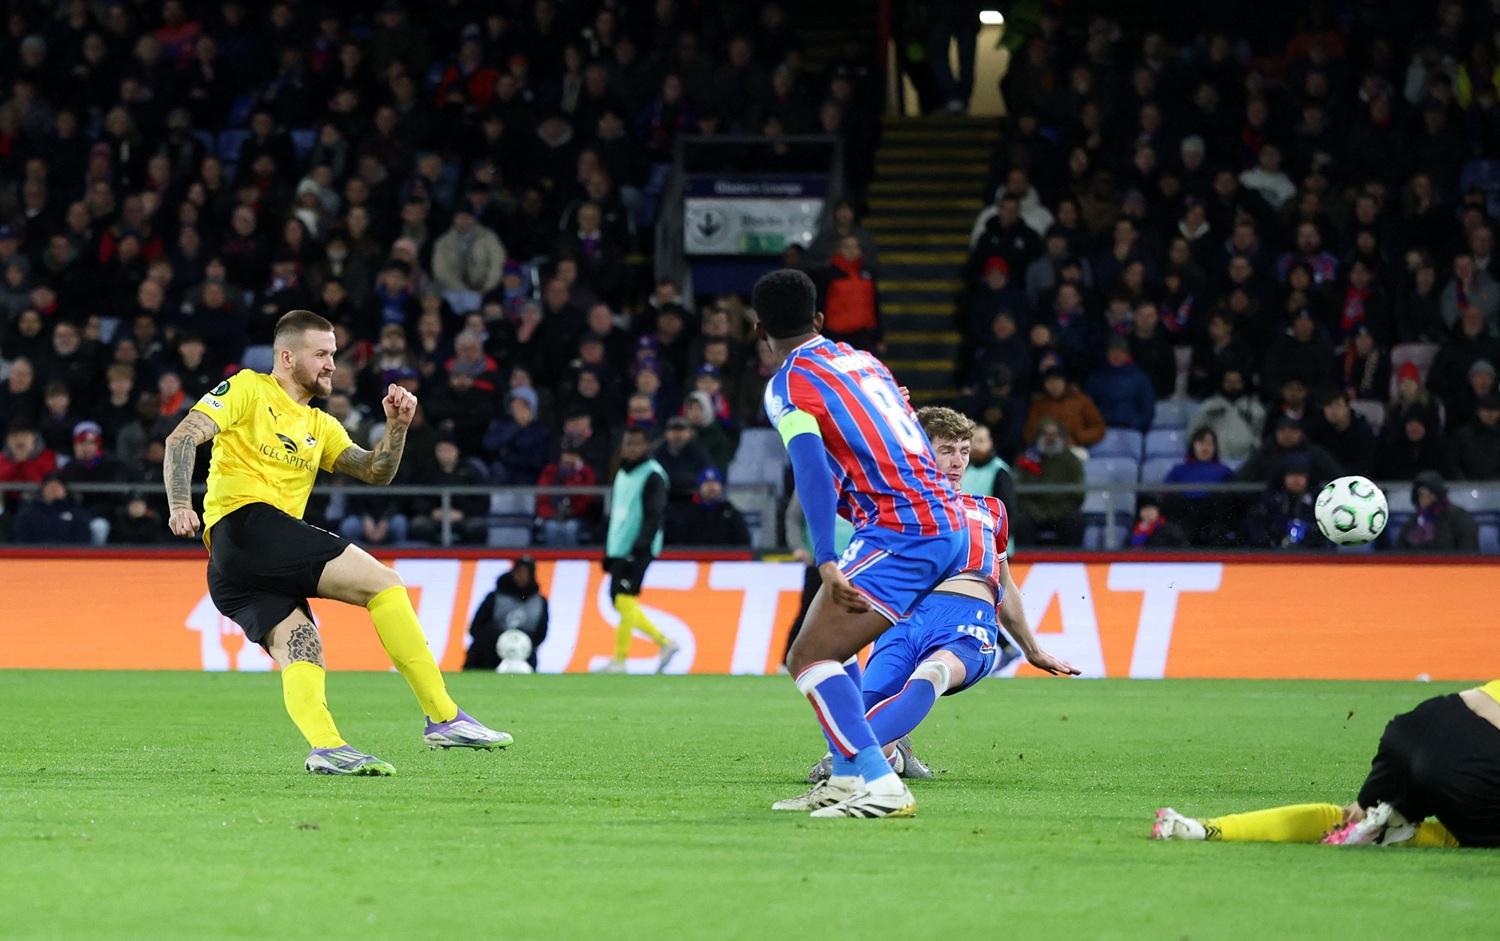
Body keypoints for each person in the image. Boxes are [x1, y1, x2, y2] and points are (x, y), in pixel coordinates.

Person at [162, 310, 510, 776]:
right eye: (321, 354)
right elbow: (182, 438)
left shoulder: (320, 425)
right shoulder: (248, 388)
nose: (331, 364)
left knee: (302, 645)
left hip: (236, 567)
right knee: (384, 583)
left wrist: (397, 428)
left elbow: (375, 472)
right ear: (288, 357)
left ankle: (327, 747)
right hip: (245, 525)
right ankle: (444, 716)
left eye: (334, 354)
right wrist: (179, 504)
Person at [756, 268, 971, 819]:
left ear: (759, 330)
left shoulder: (787, 386)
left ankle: (880, 781)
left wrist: (826, 556)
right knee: (836, 645)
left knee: (807, 657)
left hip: (903, 526)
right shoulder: (864, 362)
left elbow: (810, 469)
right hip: (942, 519)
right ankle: (847, 775)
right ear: (819, 319)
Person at [805, 406, 1077, 785]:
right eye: (946, 450)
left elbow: (1006, 584)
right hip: (901, 625)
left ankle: (847, 758)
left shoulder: (991, 510)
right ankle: (893, 754)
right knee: (860, 711)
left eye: (964, 451)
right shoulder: (898, 505)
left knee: (932, 673)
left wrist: (1031, 649)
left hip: (965, 626)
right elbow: (846, 472)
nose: (958, 461)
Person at [1154, 680, 1500, 848]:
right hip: (1473, 759)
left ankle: (1203, 828)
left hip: (1420, 724)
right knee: (1463, 837)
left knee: (1353, 815)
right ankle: (1393, 832)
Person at [596, 426, 678, 674]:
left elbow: (654, 516)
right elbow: (618, 514)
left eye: (636, 444)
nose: (631, 449)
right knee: (620, 600)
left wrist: (639, 548)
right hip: (620, 546)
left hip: (638, 548)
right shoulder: (622, 472)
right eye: (627, 444)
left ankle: (620, 659)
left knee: (623, 597)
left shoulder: (653, 475)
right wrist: (610, 550)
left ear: (647, 446)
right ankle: (665, 643)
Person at [464, 557, 549, 672]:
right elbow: (476, 628)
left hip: (523, 656)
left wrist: (519, 642)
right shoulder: (495, 597)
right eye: (519, 572)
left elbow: (541, 633)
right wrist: (499, 638)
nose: (522, 576)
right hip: (490, 653)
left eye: (526, 573)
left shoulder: (539, 602)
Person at [1013, 418, 1086, 547]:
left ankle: (1071, 558)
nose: (1050, 438)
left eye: (1054, 434)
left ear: (1061, 436)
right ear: (1038, 436)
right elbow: (1018, 493)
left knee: (1076, 521)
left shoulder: (1072, 460)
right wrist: (1036, 512)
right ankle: (1024, 558)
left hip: (1063, 512)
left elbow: (1078, 494)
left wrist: (1058, 512)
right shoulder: (1026, 459)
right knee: (1020, 521)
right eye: (1046, 434)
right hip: (1033, 512)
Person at [1162, 428, 1235, 546]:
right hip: (1186, 513)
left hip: (1213, 514)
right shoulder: (1178, 470)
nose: (1205, 448)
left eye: (1209, 444)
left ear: (1215, 447)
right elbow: (1166, 493)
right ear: (1193, 445)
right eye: (1201, 443)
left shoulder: (1224, 471)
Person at [1244, 456, 1326, 549]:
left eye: (1300, 475)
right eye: (1292, 475)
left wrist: (1309, 530)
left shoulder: (1318, 499)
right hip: (1275, 552)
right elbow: (1257, 526)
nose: (1296, 480)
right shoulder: (1271, 497)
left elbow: (1325, 531)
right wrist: (1279, 531)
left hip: (1312, 552)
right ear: (1284, 476)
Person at [1023, 365, 1106, 449]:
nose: (1054, 386)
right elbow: (1029, 432)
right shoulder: (1039, 404)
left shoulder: (1080, 400)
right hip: (1047, 449)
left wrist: (1078, 437)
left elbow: (1098, 427)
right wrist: (1048, 439)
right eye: (1049, 382)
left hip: (1076, 447)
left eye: (1057, 381)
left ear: (1065, 382)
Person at [1395, 471, 1479, 552]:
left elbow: (1468, 551)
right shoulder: (1412, 523)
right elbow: (1401, 551)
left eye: (1428, 493)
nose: (1424, 498)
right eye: (1421, 494)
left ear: (1437, 494)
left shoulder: (1460, 518)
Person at [1084, 337, 1155, 433]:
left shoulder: (1140, 378)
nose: (1116, 355)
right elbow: (1088, 407)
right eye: (1113, 351)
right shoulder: (1096, 378)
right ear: (1107, 354)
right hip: (1104, 431)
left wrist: (1136, 425)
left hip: (1132, 431)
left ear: (1127, 355)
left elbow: (1148, 409)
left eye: (1120, 352)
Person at [1307, 388, 1377, 478]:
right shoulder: (1317, 429)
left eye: (1338, 405)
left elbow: (1365, 464)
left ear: (1347, 407)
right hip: (1325, 480)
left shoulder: (1362, 431)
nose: (1333, 410)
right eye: (1328, 405)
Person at [12, 473, 92, 544]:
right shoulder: (29, 513)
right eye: (50, 486)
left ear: (65, 490)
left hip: (68, 554)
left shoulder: (76, 512)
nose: (53, 490)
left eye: (57, 486)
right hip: (36, 554)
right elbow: (21, 539)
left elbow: (82, 539)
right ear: (43, 490)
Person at [1125, 495, 1189, 548]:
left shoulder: (1169, 528)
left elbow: (1183, 548)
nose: (1149, 513)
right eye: (1145, 510)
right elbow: (1126, 548)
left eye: (1152, 509)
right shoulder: (1132, 528)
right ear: (1140, 512)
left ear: (1158, 511)